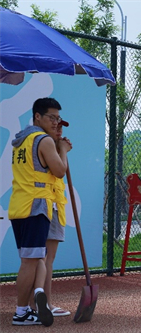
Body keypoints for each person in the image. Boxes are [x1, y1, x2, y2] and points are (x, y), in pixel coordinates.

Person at [9, 97, 72, 326]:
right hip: (37, 206)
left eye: (58, 118)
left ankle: (34, 300)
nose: (56, 122)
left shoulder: (21, 141)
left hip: (20, 205)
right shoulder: (42, 140)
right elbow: (60, 170)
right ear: (37, 116)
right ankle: (22, 311)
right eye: (51, 117)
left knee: (34, 259)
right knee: (32, 260)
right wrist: (63, 150)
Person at [36, 120, 72, 317]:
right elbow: (59, 171)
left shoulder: (54, 146)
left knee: (48, 258)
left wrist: (62, 149)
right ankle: (37, 304)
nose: (59, 130)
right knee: (40, 258)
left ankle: (46, 303)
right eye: (56, 126)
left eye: (61, 127)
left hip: (56, 205)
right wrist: (63, 151)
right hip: (44, 205)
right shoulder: (42, 145)